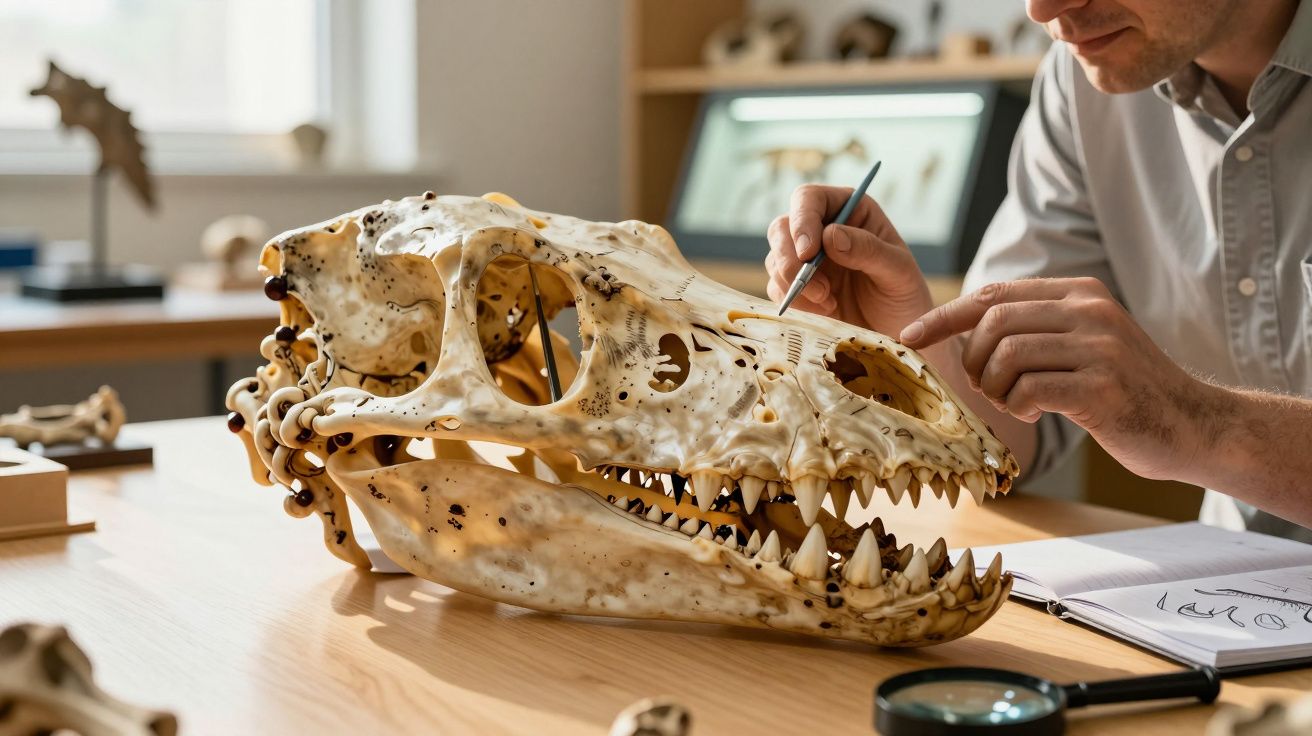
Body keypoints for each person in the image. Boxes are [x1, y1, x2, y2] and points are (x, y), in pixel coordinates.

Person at [764, 0, 1312, 538]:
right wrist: (914, 341)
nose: (1042, 9)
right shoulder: (1082, 82)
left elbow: (1191, 424)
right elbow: (1009, 442)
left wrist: (1199, 425)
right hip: (1237, 588)